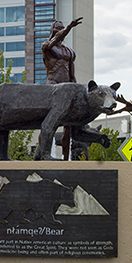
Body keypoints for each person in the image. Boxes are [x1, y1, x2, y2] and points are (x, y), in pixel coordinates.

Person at [41, 17, 82, 159]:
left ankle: (66, 157)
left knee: (68, 124)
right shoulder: (47, 46)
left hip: (67, 88)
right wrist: (69, 27)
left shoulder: (70, 52)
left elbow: (72, 74)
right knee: (48, 122)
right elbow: (54, 41)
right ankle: (42, 153)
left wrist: (77, 90)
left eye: (62, 29)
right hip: (52, 86)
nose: (60, 32)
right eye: (57, 30)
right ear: (53, 32)